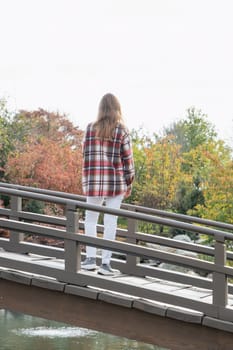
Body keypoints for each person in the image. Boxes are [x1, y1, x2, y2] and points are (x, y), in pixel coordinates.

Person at [81, 93, 135, 276]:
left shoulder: (89, 129)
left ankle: (89, 259)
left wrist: (87, 180)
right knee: (110, 222)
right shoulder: (121, 130)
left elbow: (85, 156)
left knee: (90, 219)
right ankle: (105, 264)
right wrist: (129, 183)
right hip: (115, 183)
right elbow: (128, 161)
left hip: (94, 181)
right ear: (117, 109)